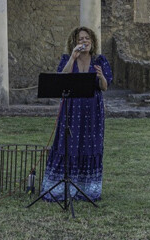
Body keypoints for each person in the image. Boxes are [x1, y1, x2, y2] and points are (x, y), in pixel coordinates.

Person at [40, 26, 112, 202]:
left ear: (92, 42)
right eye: (80, 39)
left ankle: (87, 188)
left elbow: (104, 87)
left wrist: (101, 76)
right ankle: (62, 188)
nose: (84, 41)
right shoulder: (67, 58)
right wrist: (72, 58)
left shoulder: (99, 60)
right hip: (71, 110)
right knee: (68, 143)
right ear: (74, 42)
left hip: (93, 112)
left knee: (90, 144)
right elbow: (62, 78)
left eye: (87, 38)